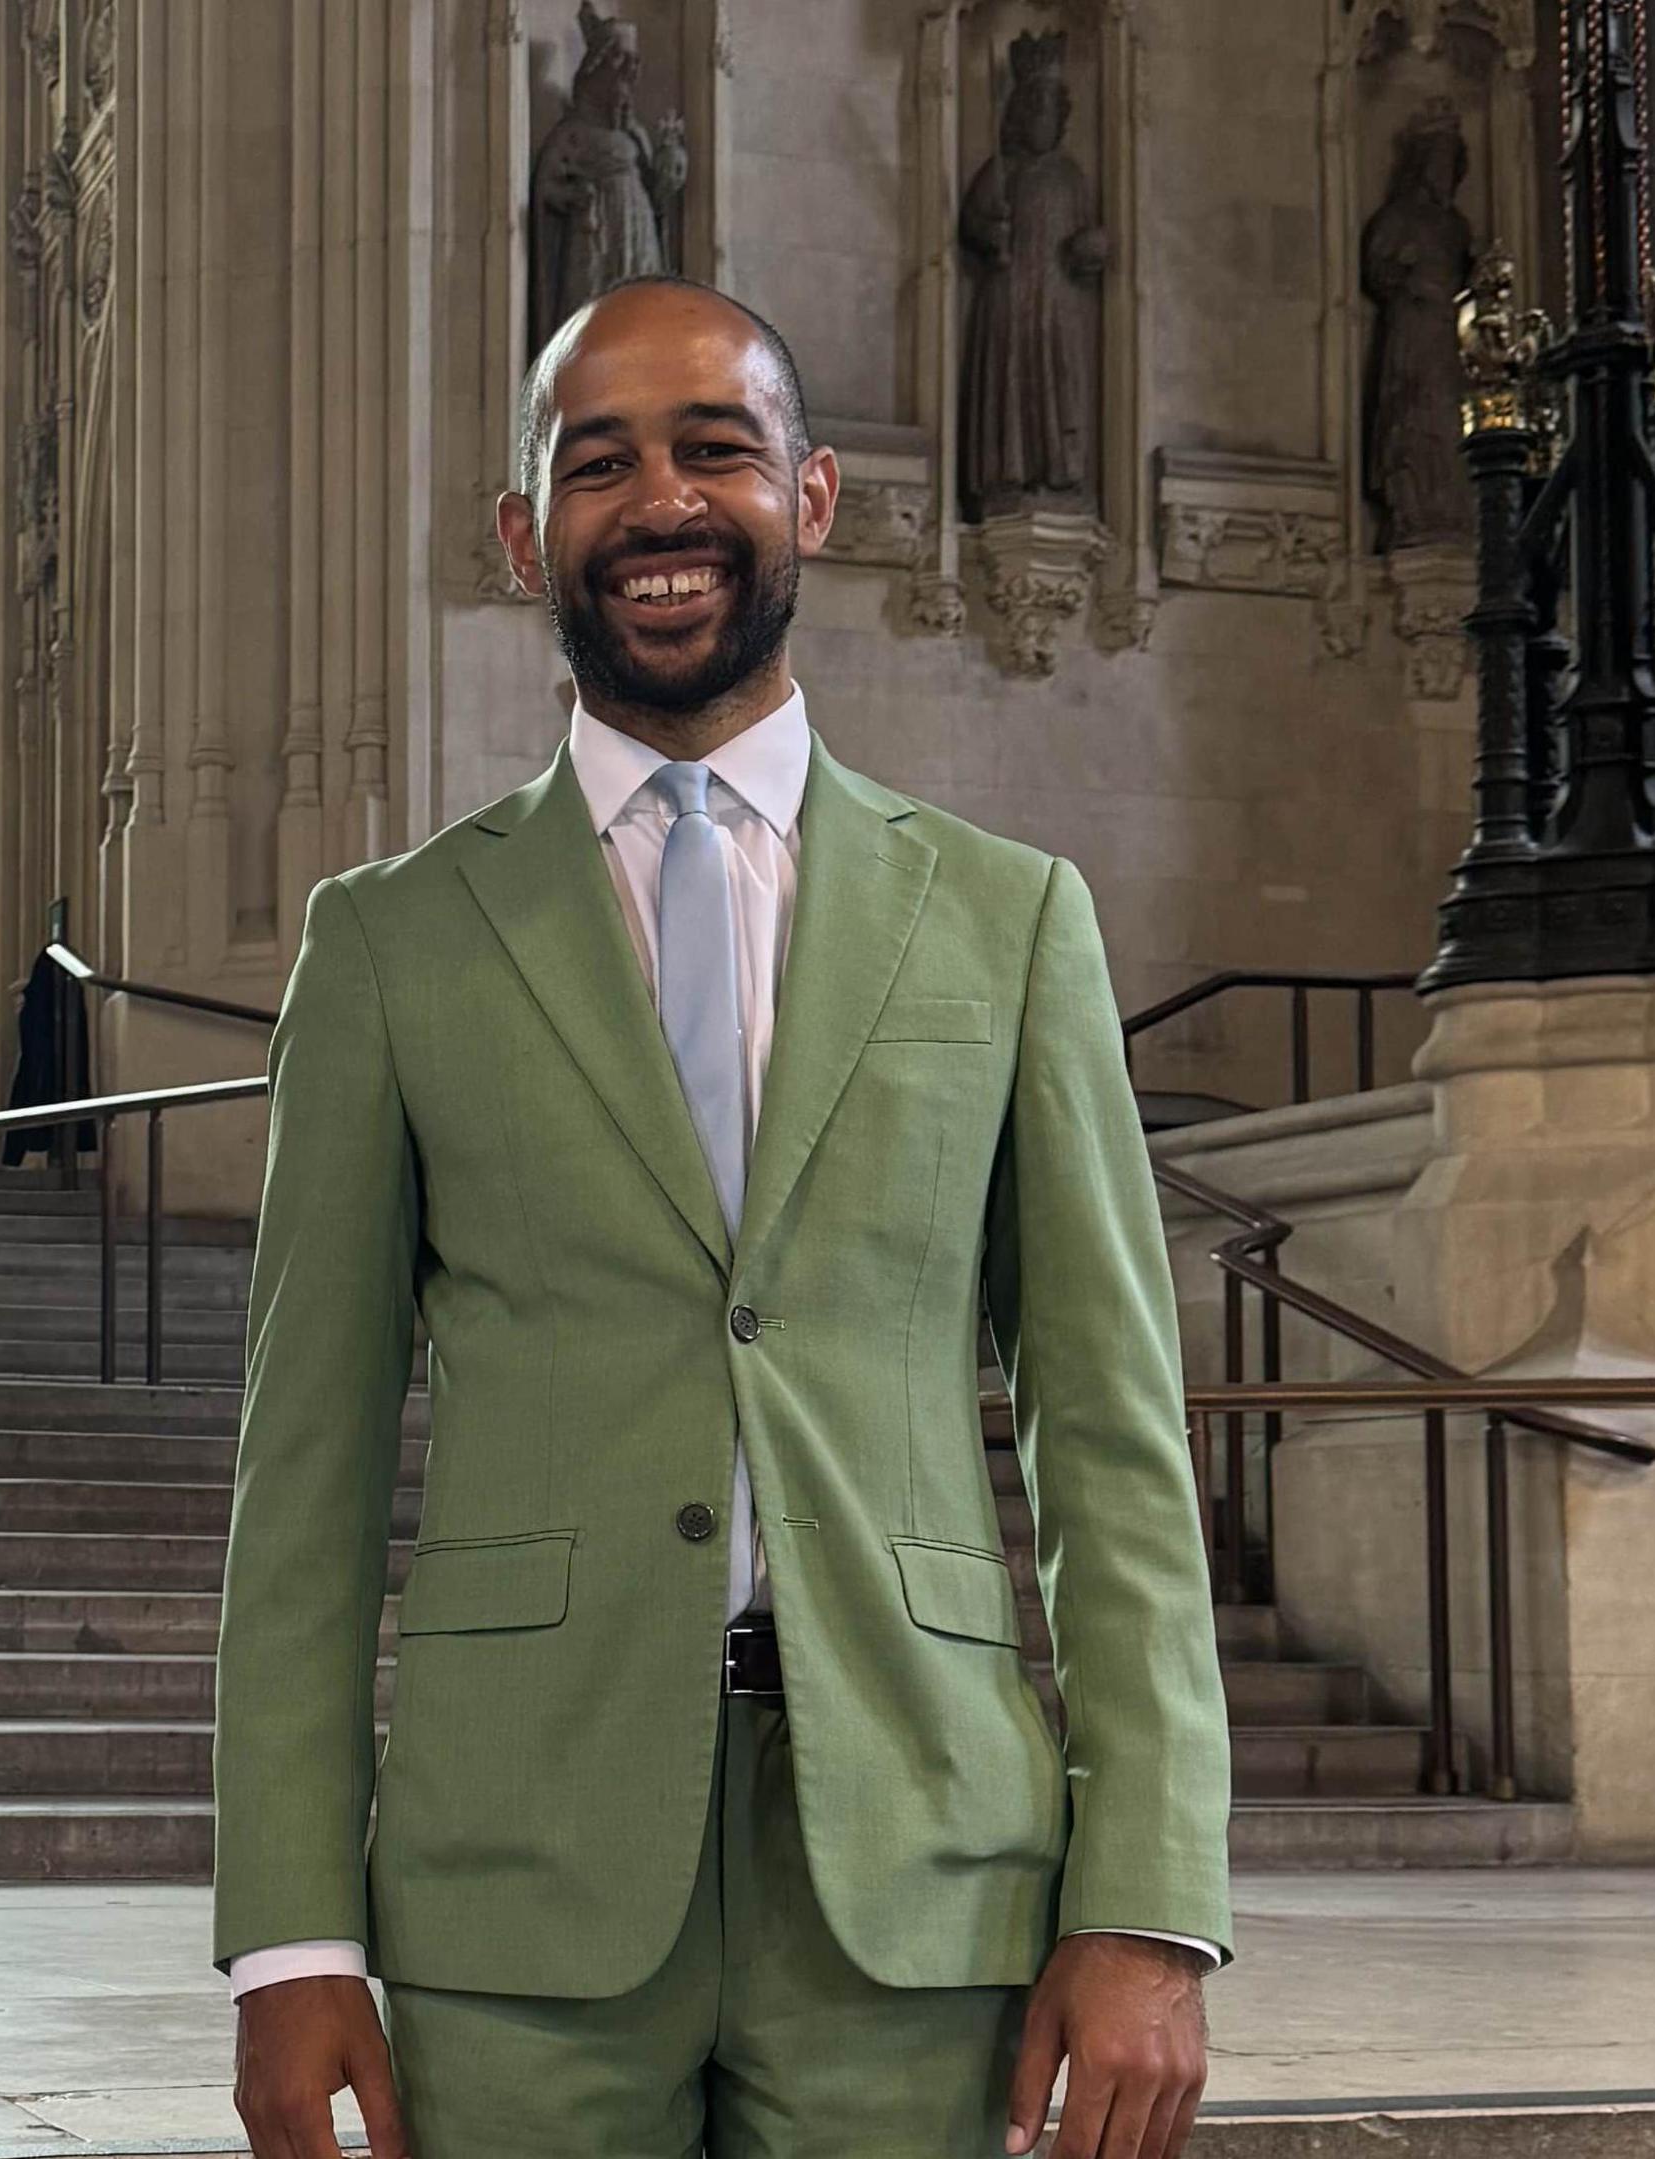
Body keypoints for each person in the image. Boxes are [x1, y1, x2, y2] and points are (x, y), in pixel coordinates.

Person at [215, 276, 1231, 2158]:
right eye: (599, 464)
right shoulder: (390, 944)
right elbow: (307, 1477)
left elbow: (1113, 1442)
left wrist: (1150, 1899)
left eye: (717, 450)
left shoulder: (1012, 922)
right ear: (527, 531)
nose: (661, 504)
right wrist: (290, 1936)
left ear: (816, 497)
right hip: (509, 1885)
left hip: (922, 1880)